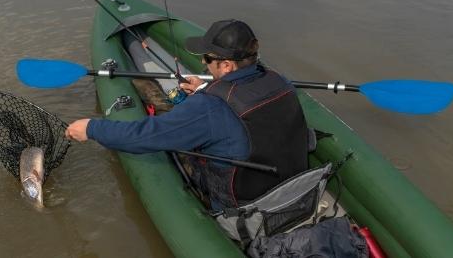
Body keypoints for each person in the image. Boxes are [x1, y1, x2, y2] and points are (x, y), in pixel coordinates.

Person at [65, 19, 310, 211]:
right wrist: (205, 89)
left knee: (164, 116)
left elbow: (145, 136)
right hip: (293, 186)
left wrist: (91, 128)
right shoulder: (281, 81)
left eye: (207, 59)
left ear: (226, 65)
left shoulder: (209, 108)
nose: (203, 64)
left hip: (244, 202)